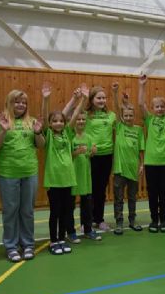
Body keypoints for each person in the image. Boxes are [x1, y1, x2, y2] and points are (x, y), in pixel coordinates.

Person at [0, 89, 44, 263]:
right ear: (9, 103)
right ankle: (11, 246)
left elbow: (41, 145)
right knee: (10, 211)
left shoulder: (32, 121)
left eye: (24, 102)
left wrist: (37, 132)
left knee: (27, 211)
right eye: (17, 101)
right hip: (8, 173)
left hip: (29, 172)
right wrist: (3, 131)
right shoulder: (0, 122)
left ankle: (27, 244)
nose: (21, 105)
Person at [41, 83, 78, 255]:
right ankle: (53, 241)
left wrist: (81, 99)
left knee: (65, 211)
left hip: (68, 179)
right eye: (54, 121)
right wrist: (46, 99)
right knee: (54, 212)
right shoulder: (48, 135)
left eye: (60, 121)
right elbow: (43, 116)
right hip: (54, 180)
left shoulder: (67, 133)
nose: (58, 123)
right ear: (50, 124)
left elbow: (74, 114)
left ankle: (62, 239)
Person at [138, 73, 165, 233]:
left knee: (164, 193)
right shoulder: (149, 120)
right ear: (153, 109)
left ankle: (164, 220)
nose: (160, 109)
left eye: (162, 106)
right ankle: (154, 220)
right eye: (156, 107)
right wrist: (142, 85)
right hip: (151, 162)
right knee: (152, 193)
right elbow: (141, 104)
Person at [65, 86, 102, 243]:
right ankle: (71, 232)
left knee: (87, 205)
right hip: (72, 176)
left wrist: (92, 151)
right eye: (78, 119)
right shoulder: (69, 137)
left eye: (82, 119)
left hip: (85, 176)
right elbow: (67, 155)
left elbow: (89, 154)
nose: (80, 121)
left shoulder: (88, 137)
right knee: (70, 206)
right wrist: (76, 152)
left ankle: (87, 229)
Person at [112, 83, 145, 235]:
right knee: (119, 198)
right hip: (120, 169)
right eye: (126, 115)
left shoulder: (138, 130)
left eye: (131, 115)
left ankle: (132, 221)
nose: (128, 118)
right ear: (122, 117)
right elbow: (117, 108)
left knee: (132, 197)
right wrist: (116, 93)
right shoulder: (119, 126)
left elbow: (141, 150)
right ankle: (119, 222)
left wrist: (142, 165)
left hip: (133, 168)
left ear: (134, 116)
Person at [85, 86, 116, 231]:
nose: (102, 100)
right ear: (91, 100)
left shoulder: (111, 115)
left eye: (104, 98)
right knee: (89, 189)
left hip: (107, 156)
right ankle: (88, 220)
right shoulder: (85, 115)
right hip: (90, 157)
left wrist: (115, 94)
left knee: (101, 189)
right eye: (99, 98)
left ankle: (99, 219)